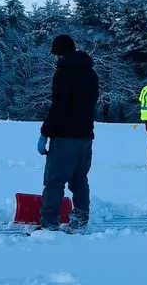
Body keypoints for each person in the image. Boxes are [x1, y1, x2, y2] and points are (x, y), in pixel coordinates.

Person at [37, 33, 100, 230]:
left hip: (65, 137)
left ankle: (49, 223)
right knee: (79, 178)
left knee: (54, 181)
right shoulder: (91, 74)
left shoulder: (64, 74)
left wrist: (45, 132)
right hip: (86, 136)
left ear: (60, 54)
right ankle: (81, 219)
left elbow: (58, 107)